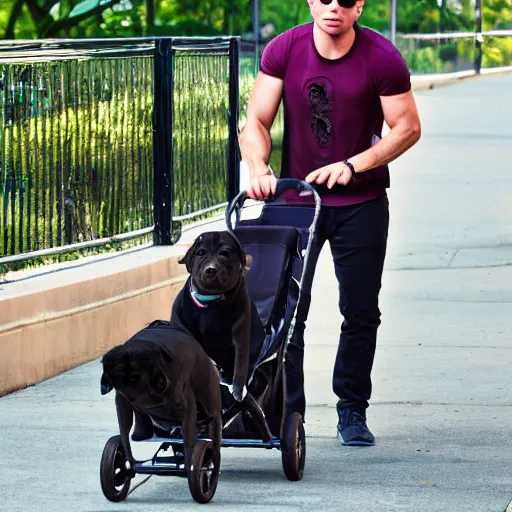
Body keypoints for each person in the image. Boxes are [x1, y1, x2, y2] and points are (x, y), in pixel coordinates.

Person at [239, 0, 421, 446]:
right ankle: (289, 414)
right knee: (284, 313)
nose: (334, 6)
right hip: (297, 202)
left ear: (359, 6)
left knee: (360, 311)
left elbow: (407, 127)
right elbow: (258, 120)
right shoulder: (285, 49)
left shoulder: (382, 57)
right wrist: (258, 166)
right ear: (311, 2)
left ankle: (352, 410)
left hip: (362, 202)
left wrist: (354, 165)